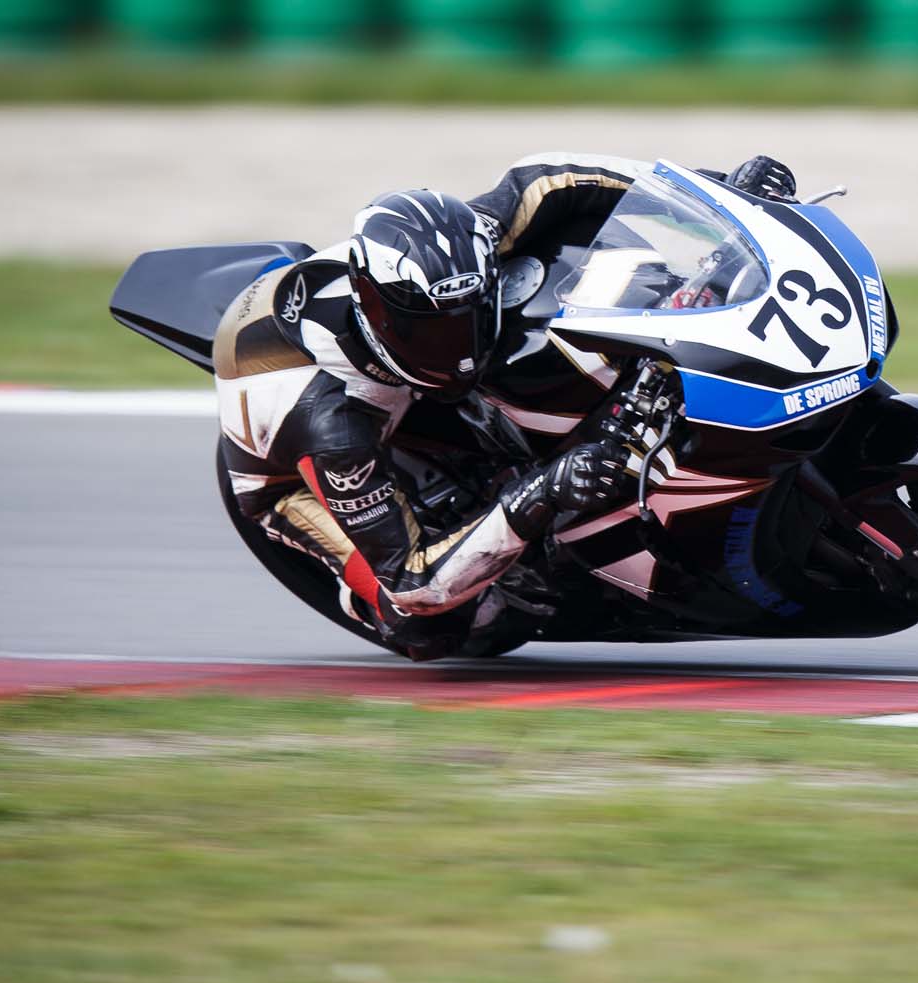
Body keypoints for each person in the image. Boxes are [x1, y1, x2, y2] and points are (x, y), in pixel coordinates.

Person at [213, 153, 797, 659]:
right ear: (380, 317)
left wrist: (722, 196)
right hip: (295, 475)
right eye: (436, 332)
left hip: (402, 377)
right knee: (435, 622)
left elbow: (555, 177)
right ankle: (417, 587)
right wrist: (540, 492)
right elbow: (418, 580)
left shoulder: (470, 245)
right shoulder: (333, 425)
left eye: (468, 316)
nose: (460, 349)